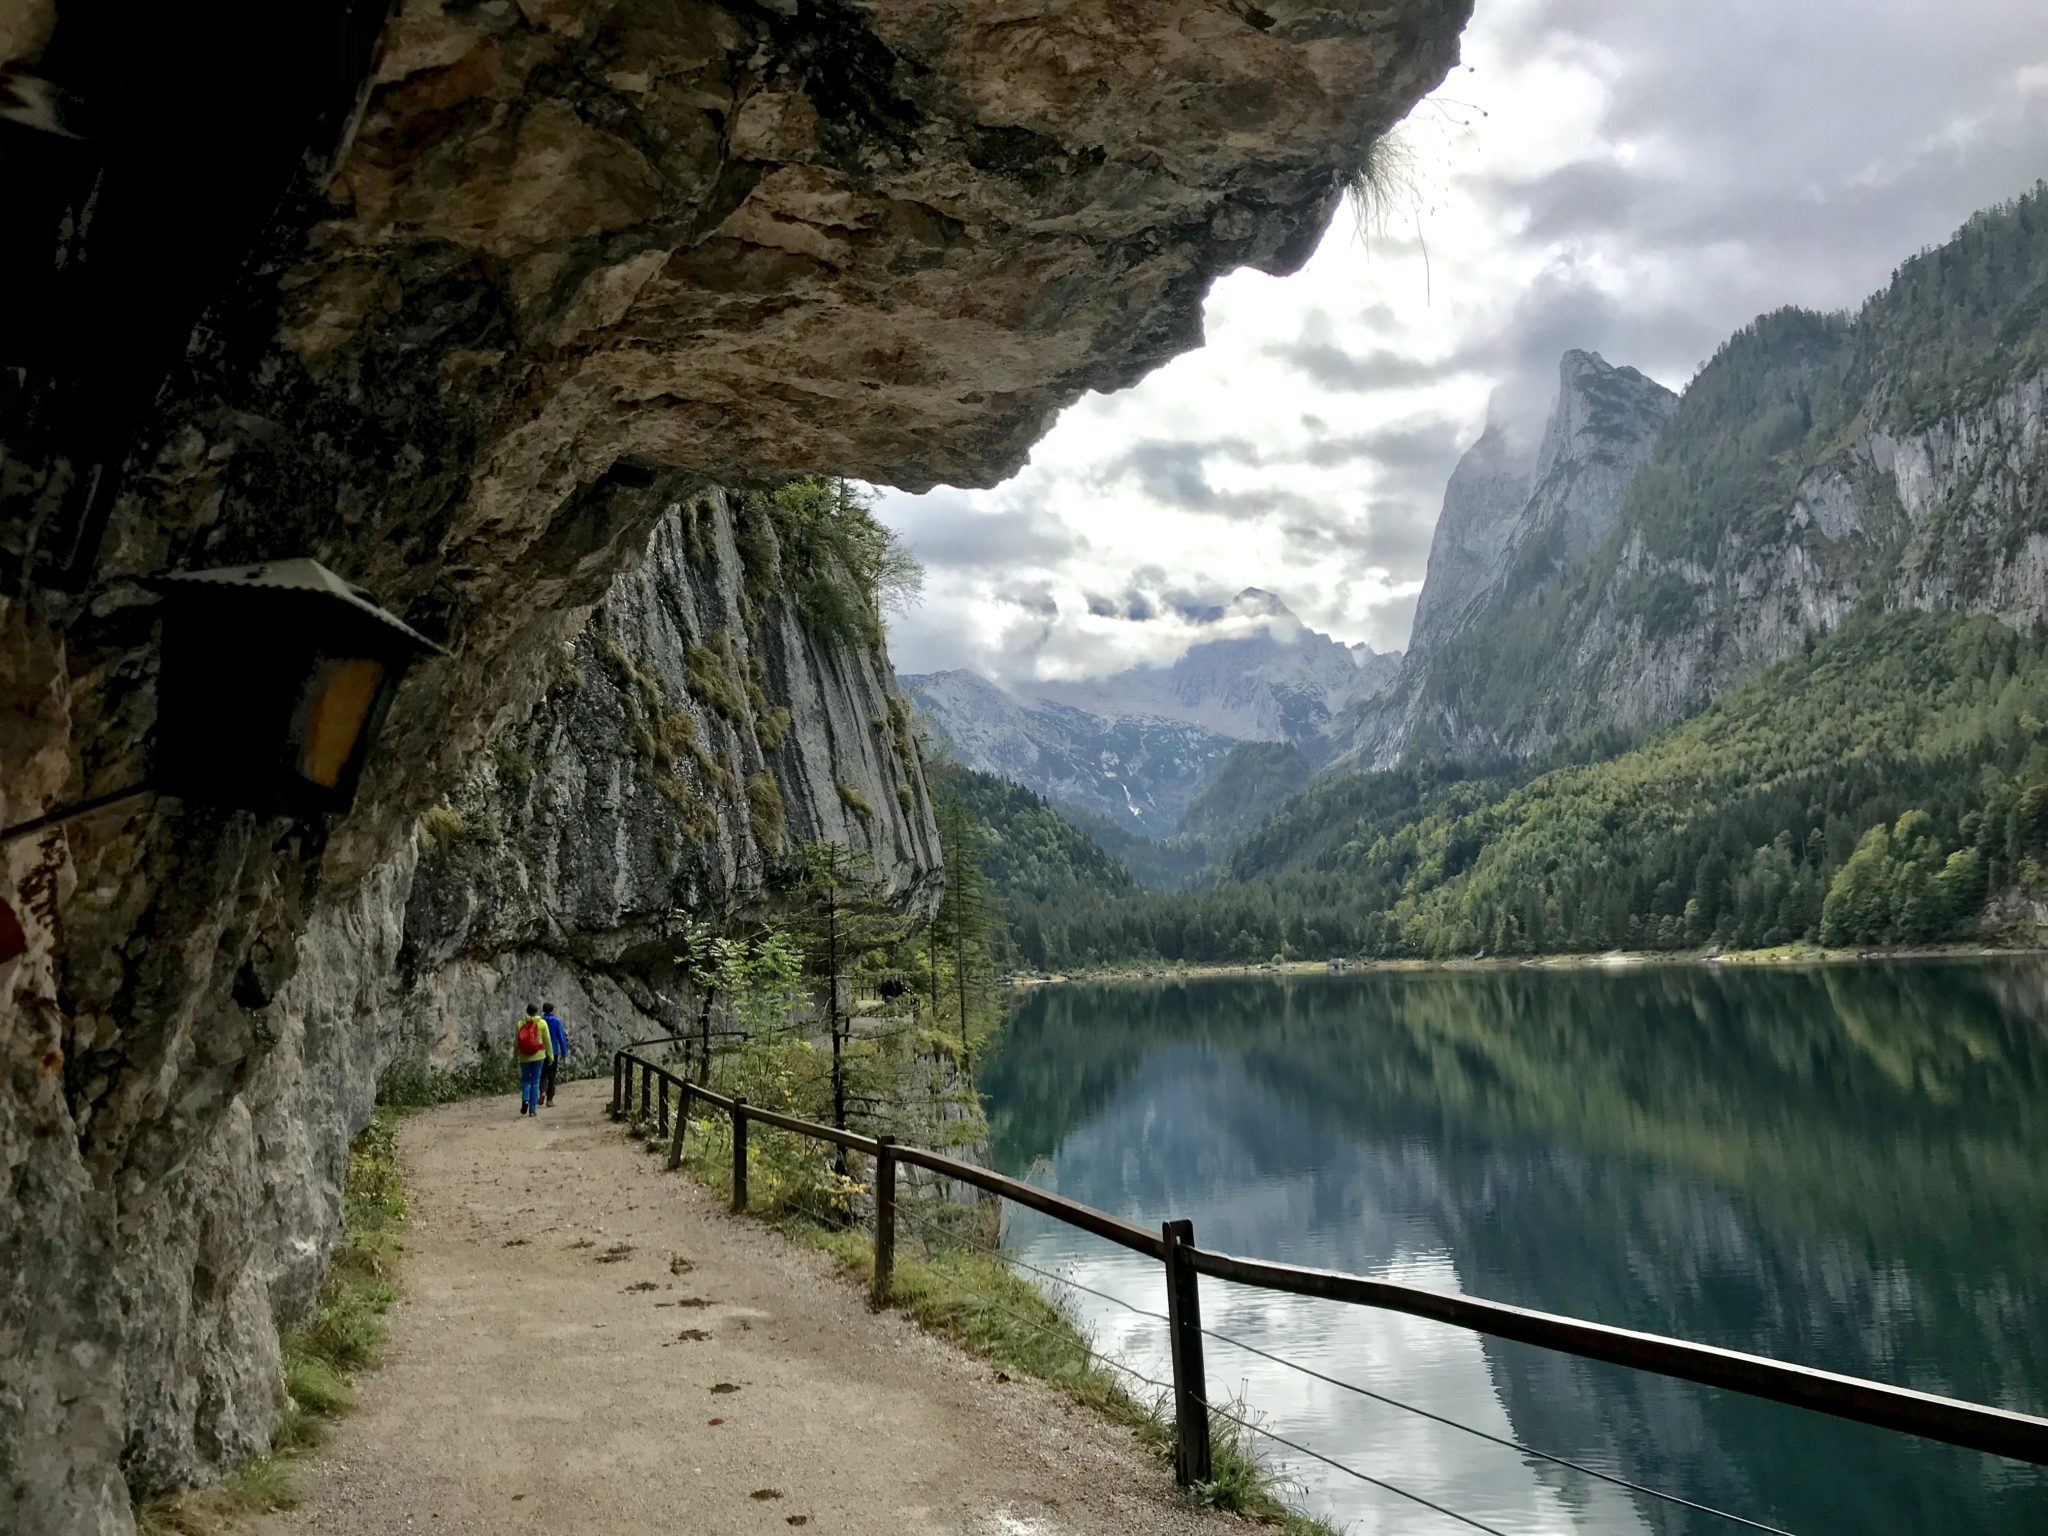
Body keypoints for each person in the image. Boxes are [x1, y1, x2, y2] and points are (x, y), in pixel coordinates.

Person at [515, 1004, 552, 1117]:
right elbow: (547, 1041)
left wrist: (514, 1057)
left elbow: (516, 1043)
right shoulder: (542, 1023)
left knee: (526, 1080)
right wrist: (551, 1056)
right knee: (535, 1082)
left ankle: (525, 1099)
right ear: (536, 1012)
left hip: (524, 1057)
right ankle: (532, 1110)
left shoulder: (520, 1023)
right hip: (539, 1056)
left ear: (527, 1011)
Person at [541, 1002, 569, 1107]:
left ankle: (542, 1091)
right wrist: (564, 1052)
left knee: (542, 1074)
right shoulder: (556, 1022)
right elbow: (561, 1038)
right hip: (553, 1052)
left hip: (541, 1052)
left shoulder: (540, 1021)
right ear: (552, 1010)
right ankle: (549, 1099)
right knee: (552, 1076)